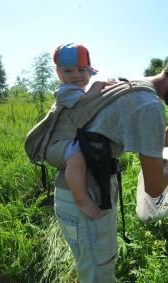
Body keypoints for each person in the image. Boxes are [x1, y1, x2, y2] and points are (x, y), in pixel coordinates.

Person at [52, 39, 168, 282]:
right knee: (97, 275)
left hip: (78, 191)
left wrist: (162, 141)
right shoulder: (150, 106)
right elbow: (155, 188)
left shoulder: (134, 84)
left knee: (94, 268)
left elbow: (108, 133)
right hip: (87, 197)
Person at [53, 43, 114, 219]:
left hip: (75, 135)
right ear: (59, 73)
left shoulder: (77, 90)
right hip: (63, 139)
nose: (76, 75)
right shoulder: (65, 91)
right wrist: (97, 87)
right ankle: (81, 199)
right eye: (68, 71)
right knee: (77, 157)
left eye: (81, 70)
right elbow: (84, 102)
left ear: (88, 72)